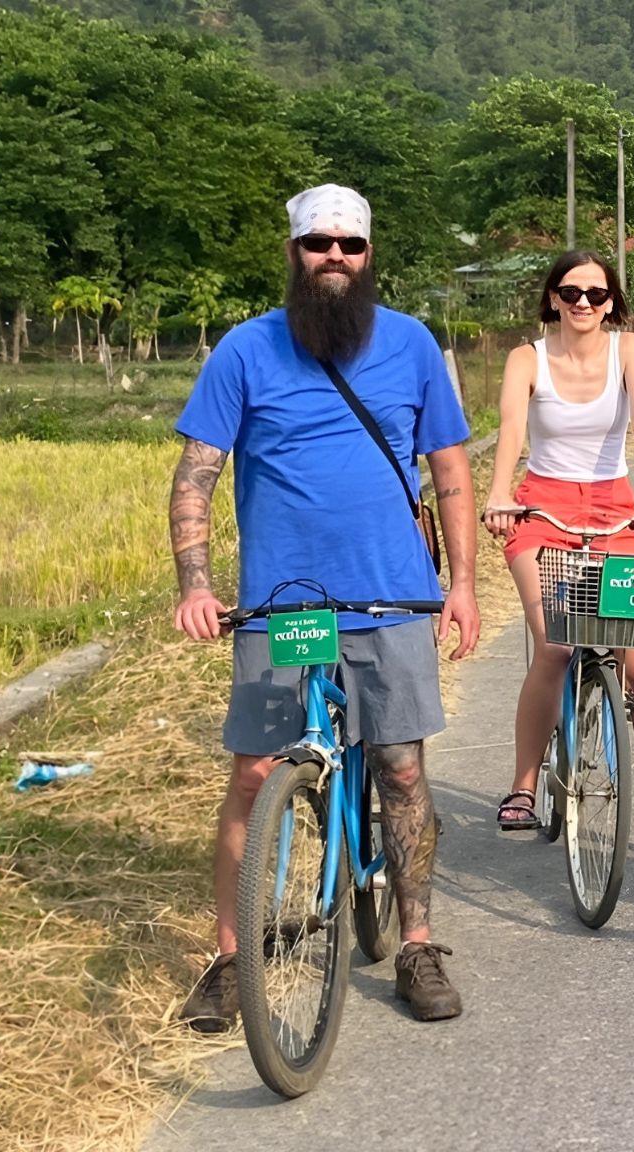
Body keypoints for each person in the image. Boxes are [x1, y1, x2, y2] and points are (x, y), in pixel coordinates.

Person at [168, 184, 481, 1030]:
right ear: (294, 253)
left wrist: (462, 585)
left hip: (391, 600)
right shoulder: (245, 351)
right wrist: (196, 585)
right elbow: (197, 474)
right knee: (255, 773)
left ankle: (415, 941)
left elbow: (451, 473)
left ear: (369, 255)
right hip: (281, 609)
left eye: (348, 245)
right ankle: (234, 958)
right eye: (318, 245)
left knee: (403, 769)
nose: (333, 258)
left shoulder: (412, 345)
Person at [481, 251, 634, 870]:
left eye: (596, 294)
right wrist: (499, 493)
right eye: (571, 293)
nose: (584, 303)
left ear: (613, 301)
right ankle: (525, 784)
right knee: (557, 644)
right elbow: (512, 427)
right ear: (553, 300)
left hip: (615, 512)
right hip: (543, 510)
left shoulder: (631, 351)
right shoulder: (526, 359)